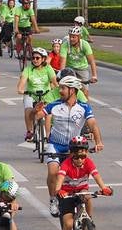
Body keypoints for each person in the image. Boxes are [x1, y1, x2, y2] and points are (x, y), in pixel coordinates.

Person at [43, 75, 103, 217]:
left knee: (78, 176)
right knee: (53, 172)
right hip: (55, 145)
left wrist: (98, 141)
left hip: (73, 147)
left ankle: (85, 216)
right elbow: (39, 115)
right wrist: (36, 111)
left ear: (73, 90)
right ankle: (53, 199)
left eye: (63, 88)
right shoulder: (55, 105)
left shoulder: (84, 107)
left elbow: (93, 124)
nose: (60, 91)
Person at [56, 137, 113, 230]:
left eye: (83, 155)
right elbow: (59, 179)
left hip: (81, 191)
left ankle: (89, 220)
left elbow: (96, 176)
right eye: (76, 156)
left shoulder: (88, 162)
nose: (80, 159)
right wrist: (59, 190)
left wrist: (104, 188)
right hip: (67, 195)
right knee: (68, 224)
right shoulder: (66, 164)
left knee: (87, 196)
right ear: (71, 154)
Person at [16, 46, 58, 143]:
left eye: (37, 58)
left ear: (43, 59)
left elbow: (55, 82)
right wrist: (20, 89)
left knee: (48, 113)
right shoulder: (28, 69)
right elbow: (22, 81)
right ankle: (30, 131)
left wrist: (57, 89)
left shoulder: (48, 68)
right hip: (31, 94)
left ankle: (48, 136)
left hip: (46, 95)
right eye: (33, 58)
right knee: (28, 110)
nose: (35, 60)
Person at [65, 20, 97, 85]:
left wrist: (94, 76)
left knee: (85, 90)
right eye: (70, 36)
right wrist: (61, 73)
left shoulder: (85, 45)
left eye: (74, 37)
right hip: (70, 68)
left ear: (79, 37)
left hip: (82, 69)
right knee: (67, 87)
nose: (71, 39)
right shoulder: (65, 44)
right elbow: (63, 60)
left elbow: (91, 61)